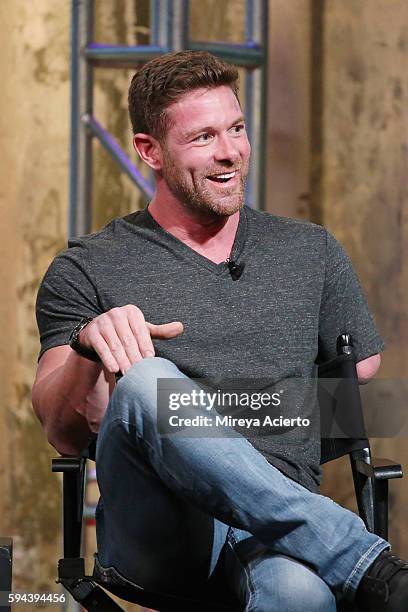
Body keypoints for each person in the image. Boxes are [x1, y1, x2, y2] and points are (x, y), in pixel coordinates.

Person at [32, 51, 408, 611]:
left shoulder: (310, 252)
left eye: (236, 129)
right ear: (149, 151)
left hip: (279, 535)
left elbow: (358, 377)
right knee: (146, 382)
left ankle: (338, 555)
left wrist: (222, 409)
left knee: (300, 598)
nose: (230, 151)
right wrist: (90, 346)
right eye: (203, 137)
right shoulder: (89, 266)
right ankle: (368, 563)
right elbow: (62, 431)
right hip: (164, 530)